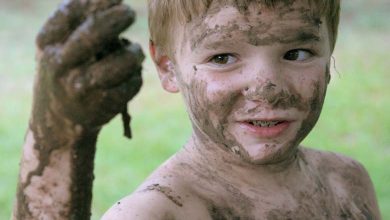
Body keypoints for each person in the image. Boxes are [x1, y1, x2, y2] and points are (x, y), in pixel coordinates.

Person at [102, 0, 382, 219]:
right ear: (168, 67)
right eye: (222, 58)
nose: (267, 91)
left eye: (296, 53)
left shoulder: (347, 182)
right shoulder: (154, 214)